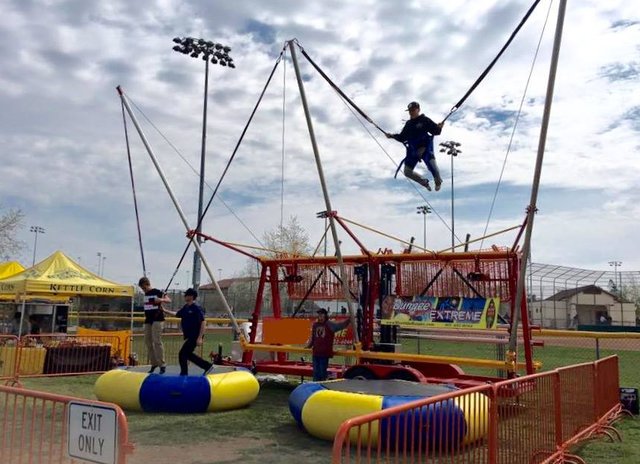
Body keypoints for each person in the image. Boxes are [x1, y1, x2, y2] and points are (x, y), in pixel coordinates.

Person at [386, 101, 444, 191]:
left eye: (413, 110)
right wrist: (392, 136)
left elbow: (436, 131)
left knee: (434, 168)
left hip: (425, 149)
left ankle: (438, 181)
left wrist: (439, 127)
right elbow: (402, 137)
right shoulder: (408, 124)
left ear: (418, 110)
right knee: (407, 172)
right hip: (413, 151)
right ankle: (424, 182)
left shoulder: (425, 120)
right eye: (410, 110)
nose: (411, 112)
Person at [163, 288, 212, 376]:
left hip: (195, 335)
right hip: (190, 336)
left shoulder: (196, 308)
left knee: (182, 354)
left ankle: (184, 373)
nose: (184, 296)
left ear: (191, 296)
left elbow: (203, 322)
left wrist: (200, 338)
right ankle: (207, 366)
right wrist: (165, 310)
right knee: (187, 354)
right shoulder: (186, 307)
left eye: (186, 295)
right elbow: (177, 314)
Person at [306, 308, 351, 381]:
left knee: (322, 373)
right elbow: (313, 337)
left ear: (325, 315)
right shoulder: (315, 325)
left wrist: (349, 320)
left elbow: (340, 325)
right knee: (315, 373)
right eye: (319, 314)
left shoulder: (330, 324)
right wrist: (309, 346)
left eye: (322, 314)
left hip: (324, 354)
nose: (320, 315)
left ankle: (322, 388)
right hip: (316, 352)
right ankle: (316, 389)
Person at [138, 276, 171, 374]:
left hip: (158, 319)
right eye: (142, 289)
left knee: (157, 341)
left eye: (144, 288)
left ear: (147, 284)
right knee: (148, 342)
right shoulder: (146, 294)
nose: (143, 290)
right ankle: (154, 363)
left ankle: (162, 364)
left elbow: (169, 300)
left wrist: (161, 300)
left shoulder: (157, 291)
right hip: (148, 320)